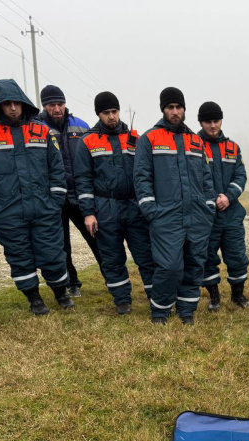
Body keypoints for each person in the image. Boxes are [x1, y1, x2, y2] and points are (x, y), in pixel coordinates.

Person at [0, 79, 74, 315]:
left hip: (44, 208)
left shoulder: (42, 131)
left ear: (23, 103)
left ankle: (61, 292)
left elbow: (56, 169)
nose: (12, 108)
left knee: (52, 252)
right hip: (7, 212)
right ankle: (34, 298)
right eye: (6, 104)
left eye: (16, 103)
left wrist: (55, 201)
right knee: (19, 256)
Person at [133, 87, 216, 325]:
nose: (175, 111)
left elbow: (206, 176)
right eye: (170, 107)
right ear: (163, 109)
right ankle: (160, 310)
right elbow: (141, 177)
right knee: (169, 266)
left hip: (197, 215)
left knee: (194, 264)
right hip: (166, 216)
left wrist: (208, 206)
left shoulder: (195, 140)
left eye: (179, 107)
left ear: (184, 110)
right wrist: (151, 210)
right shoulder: (149, 139)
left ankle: (187, 309)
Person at [74, 91, 155, 314]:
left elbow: (147, 173)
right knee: (112, 257)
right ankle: (122, 300)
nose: (111, 117)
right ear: (98, 114)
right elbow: (82, 180)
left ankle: (154, 296)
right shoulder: (87, 142)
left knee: (146, 255)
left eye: (114, 112)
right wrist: (88, 213)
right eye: (106, 112)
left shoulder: (136, 140)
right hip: (104, 208)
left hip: (134, 207)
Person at [39, 85, 101, 297]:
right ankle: (71, 281)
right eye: (51, 105)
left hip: (79, 196)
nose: (57, 108)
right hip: (53, 199)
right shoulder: (37, 128)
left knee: (96, 239)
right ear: (44, 106)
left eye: (60, 104)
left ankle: (112, 277)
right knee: (61, 245)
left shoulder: (81, 126)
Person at [197, 101, 249, 310]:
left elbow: (241, 174)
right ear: (201, 122)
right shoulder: (194, 146)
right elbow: (194, 180)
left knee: (237, 256)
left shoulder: (232, 147)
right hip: (206, 216)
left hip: (231, 213)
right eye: (208, 121)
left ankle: (238, 295)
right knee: (208, 258)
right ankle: (214, 298)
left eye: (216, 120)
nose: (213, 125)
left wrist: (228, 197)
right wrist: (212, 199)